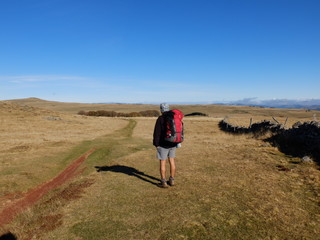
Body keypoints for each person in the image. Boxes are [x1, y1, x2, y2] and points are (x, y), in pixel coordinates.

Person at [153, 103, 178, 188]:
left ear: (161, 109)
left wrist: (156, 144)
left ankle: (163, 182)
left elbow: (157, 132)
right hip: (173, 143)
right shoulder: (174, 117)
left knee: (163, 162)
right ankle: (172, 180)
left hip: (163, 144)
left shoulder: (160, 118)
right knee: (172, 161)